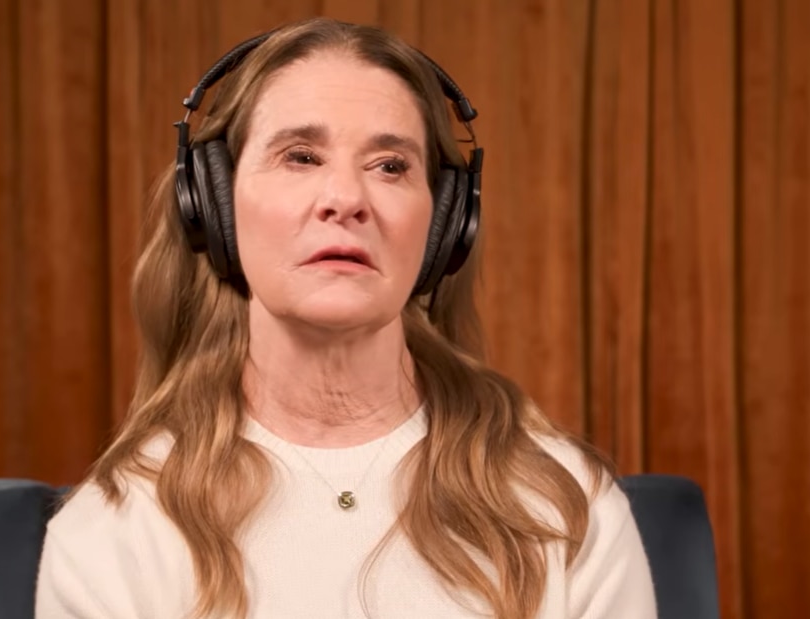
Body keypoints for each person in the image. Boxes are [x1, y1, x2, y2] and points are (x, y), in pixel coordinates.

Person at [34, 17, 656, 619]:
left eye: (390, 166)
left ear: (446, 225)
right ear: (211, 204)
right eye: (301, 156)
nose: (346, 199)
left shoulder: (567, 509)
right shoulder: (112, 536)